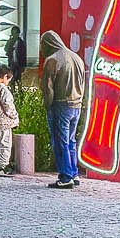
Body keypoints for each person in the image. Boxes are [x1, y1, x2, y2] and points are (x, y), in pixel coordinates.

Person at [40, 30, 85, 188]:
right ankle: (74, 173)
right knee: (71, 141)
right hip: (76, 105)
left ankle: (65, 177)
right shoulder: (76, 57)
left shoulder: (53, 60)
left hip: (60, 105)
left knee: (61, 142)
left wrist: (47, 104)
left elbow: (48, 87)